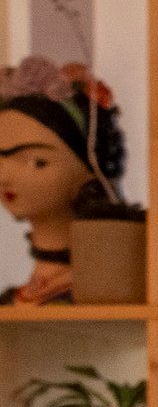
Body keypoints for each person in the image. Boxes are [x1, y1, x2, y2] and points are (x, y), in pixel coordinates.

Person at [0, 60, 126, 308]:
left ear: (91, 170)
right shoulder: (12, 302)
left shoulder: (97, 296)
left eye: (37, 162)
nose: (4, 178)